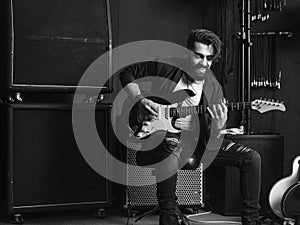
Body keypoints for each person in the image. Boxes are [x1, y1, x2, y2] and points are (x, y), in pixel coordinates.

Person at [119, 29, 261, 225]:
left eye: (209, 58)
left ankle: (252, 220)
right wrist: (141, 100)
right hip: (155, 141)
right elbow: (127, 72)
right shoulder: (165, 66)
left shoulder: (213, 88)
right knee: (172, 142)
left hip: (196, 145)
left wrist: (219, 124)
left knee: (251, 158)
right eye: (199, 56)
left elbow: (212, 139)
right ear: (187, 53)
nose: (204, 63)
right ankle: (168, 216)